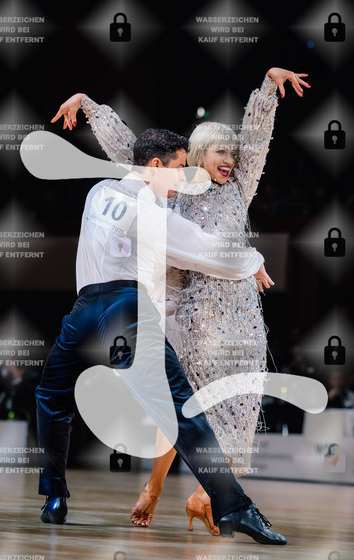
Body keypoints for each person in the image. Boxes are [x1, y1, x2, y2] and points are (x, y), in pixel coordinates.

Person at [50, 67, 308, 534]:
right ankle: (161, 489)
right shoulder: (172, 194)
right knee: (183, 408)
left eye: (233, 152)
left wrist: (269, 88)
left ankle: (204, 497)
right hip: (192, 313)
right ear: (197, 155)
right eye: (220, 150)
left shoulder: (239, 187)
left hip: (244, 316)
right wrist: (90, 107)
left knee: (241, 413)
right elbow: (130, 150)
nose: (230, 158)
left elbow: (258, 139)